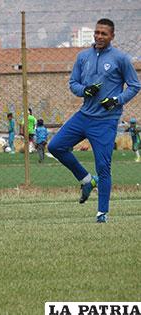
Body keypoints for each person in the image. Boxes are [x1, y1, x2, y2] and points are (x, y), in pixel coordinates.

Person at [48, 18, 140, 223]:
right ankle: (86, 180)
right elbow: (73, 83)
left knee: (103, 166)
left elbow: (134, 85)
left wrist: (116, 100)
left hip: (106, 121)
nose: (99, 36)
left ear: (112, 36)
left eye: (103, 34)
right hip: (84, 116)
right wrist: (84, 90)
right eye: (97, 32)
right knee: (55, 146)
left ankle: (102, 213)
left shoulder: (121, 59)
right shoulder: (83, 57)